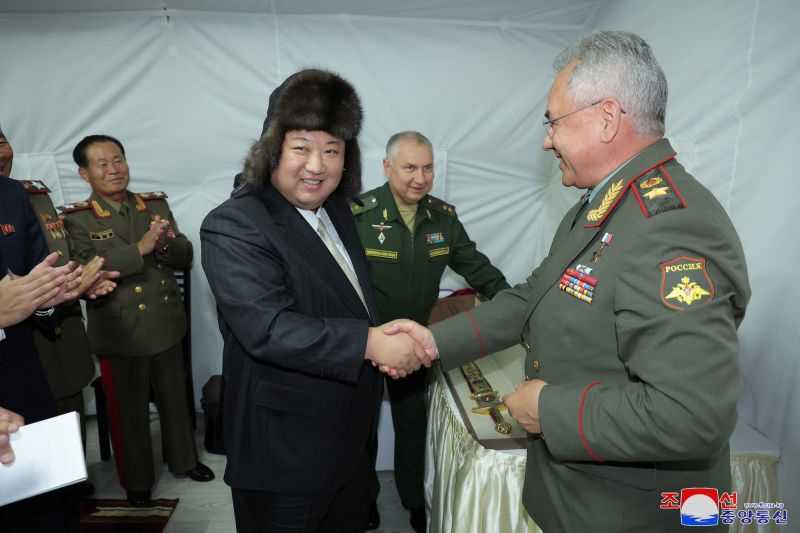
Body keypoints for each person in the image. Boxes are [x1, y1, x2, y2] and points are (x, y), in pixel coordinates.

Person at [387, 31, 751, 532]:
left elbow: (691, 414)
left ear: (606, 118)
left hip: (634, 514)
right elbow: (533, 297)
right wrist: (431, 341)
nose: (545, 139)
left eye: (553, 122)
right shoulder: (601, 206)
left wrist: (548, 409)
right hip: (581, 498)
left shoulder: (670, 228)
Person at [201, 68, 433, 533]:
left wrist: (384, 333)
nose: (317, 165)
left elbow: (350, 302)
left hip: (347, 447)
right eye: (301, 147)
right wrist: (370, 344)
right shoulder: (235, 223)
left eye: (332, 150)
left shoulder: (336, 211)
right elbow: (268, 328)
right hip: (286, 456)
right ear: (271, 150)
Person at [351, 130, 510, 532]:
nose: (419, 177)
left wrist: (514, 305)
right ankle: (362, 500)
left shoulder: (442, 218)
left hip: (415, 346)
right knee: (358, 430)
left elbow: (478, 268)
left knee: (412, 428)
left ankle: (412, 502)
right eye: (409, 168)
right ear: (387, 168)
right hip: (364, 344)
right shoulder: (358, 215)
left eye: (427, 168)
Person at [62, 134, 214, 507]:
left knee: (175, 401)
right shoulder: (77, 219)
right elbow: (81, 271)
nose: (114, 169)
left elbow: (184, 254)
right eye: (102, 163)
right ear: (84, 173)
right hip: (120, 330)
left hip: (164, 323)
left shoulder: (153, 205)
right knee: (128, 411)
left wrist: (163, 243)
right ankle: (138, 480)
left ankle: (184, 460)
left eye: (119, 160)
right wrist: (139, 249)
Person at [1, 125, 98, 469]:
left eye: (1, 140)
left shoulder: (13, 195)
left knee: (43, 483)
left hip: (20, 365)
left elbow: (34, 270)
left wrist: (46, 300)